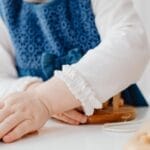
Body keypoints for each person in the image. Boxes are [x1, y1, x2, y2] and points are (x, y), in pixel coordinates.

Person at [0, 0, 149, 143]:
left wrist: (45, 98)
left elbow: (131, 44)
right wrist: (33, 91)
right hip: (50, 135)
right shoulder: (5, 9)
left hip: (117, 128)